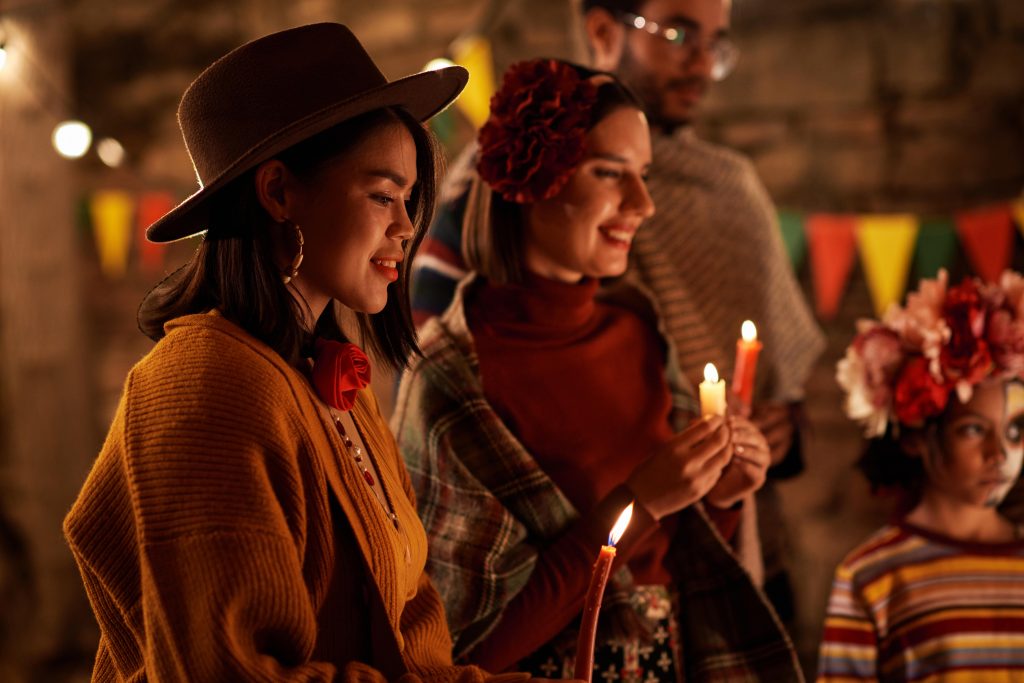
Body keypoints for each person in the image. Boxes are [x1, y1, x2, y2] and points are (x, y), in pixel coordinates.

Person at [62, 23, 532, 681]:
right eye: (381, 195)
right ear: (279, 192)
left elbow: (411, 639)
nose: (404, 227)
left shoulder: (331, 378)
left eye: (407, 200)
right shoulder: (206, 382)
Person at [410, 0, 825, 625]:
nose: (703, 61)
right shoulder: (495, 187)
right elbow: (447, 347)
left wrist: (774, 432)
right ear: (603, 29)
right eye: (680, 32)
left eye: (718, 42)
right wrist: (647, 494)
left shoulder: (723, 194)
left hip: (700, 566)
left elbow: (775, 370)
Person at [818, 270, 1024, 681]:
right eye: (973, 429)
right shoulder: (871, 577)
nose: (999, 453)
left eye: (1016, 430)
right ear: (916, 437)